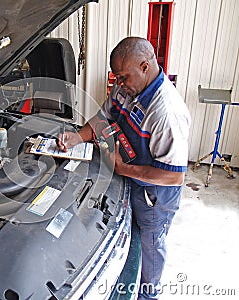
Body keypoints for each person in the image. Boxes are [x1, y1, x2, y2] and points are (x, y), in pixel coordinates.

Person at [58, 36, 191, 299]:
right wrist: (77, 137)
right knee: (128, 236)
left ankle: (147, 294)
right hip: (128, 175)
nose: (118, 84)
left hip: (155, 195)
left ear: (144, 66)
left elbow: (174, 176)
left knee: (151, 244)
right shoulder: (126, 88)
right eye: (116, 77)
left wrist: (123, 170)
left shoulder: (166, 112)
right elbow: (103, 117)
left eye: (123, 77)